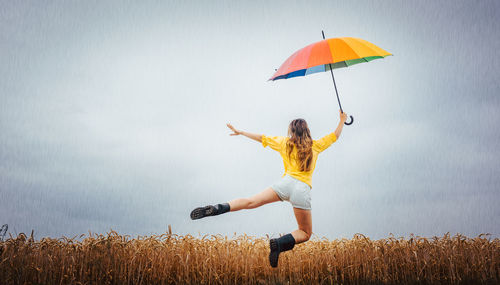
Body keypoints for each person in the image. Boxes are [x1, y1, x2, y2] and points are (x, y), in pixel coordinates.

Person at [190, 110, 348, 267]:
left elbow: (261, 138)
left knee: (251, 202)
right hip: (302, 189)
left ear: (291, 131)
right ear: (307, 130)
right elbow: (335, 135)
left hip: (285, 184)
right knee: (305, 233)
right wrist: (342, 120)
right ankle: (279, 244)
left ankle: (219, 208)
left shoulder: (284, 143)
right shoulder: (316, 146)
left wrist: (242, 132)